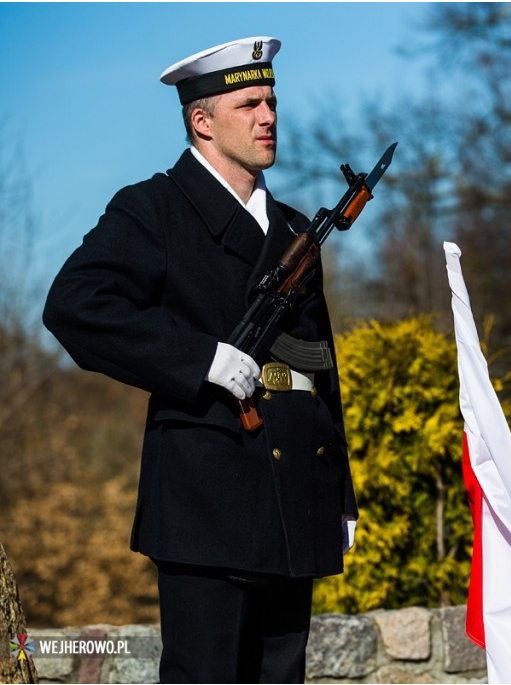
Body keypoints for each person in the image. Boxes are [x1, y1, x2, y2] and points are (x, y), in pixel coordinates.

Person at [43, 36, 358, 683]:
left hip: (295, 491)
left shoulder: (297, 230)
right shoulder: (154, 210)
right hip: (207, 496)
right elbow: (74, 305)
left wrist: (341, 492)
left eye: (270, 100)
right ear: (202, 121)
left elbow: (319, 370)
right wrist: (200, 357)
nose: (268, 115)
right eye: (248, 103)